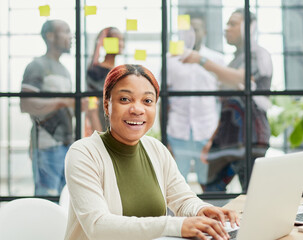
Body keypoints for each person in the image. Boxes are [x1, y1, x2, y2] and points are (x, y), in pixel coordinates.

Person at [64, 64, 239, 240]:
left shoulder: (156, 149)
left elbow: (182, 199)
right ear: (107, 104)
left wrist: (200, 210)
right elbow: (98, 226)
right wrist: (175, 225)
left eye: (147, 101)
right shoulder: (84, 153)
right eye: (125, 99)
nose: (137, 110)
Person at [182, 9, 273, 192]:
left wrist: (202, 61)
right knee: (210, 183)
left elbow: (242, 78)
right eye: (227, 24)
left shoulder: (257, 54)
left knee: (251, 192)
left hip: (250, 136)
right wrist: (213, 138)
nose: (226, 29)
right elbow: (226, 106)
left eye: (233, 24)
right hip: (229, 137)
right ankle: (224, 218)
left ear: (249, 28)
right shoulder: (234, 60)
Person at [20, 20, 83, 196]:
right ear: (50, 36)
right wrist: (64, 101)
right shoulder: (36, 66)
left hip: (66, 145)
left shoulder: (64, 70)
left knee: (63, 200)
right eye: (66, 31)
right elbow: (25, 104)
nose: (71, 37)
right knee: (47, 200)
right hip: (47, 146)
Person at [167, 11, 224, 188]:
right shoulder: (170, 60)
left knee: (211, 187)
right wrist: (165, 139)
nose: (192, 33)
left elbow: (223, 102)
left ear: (204, 32)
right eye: (188, 29)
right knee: (175, 187)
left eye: (197, 29)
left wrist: (217, 136)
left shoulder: (217, 60)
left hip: (207, 132)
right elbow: (163, 101)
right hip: (177, 132)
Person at [85, 27, 124, 134]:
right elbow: (92, 107)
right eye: (116, 40)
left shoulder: (120, 71)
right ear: (105, 43)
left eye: (122, 40)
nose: (121, 44)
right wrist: (100, 138)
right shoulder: (96, 72)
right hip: (104, 130)